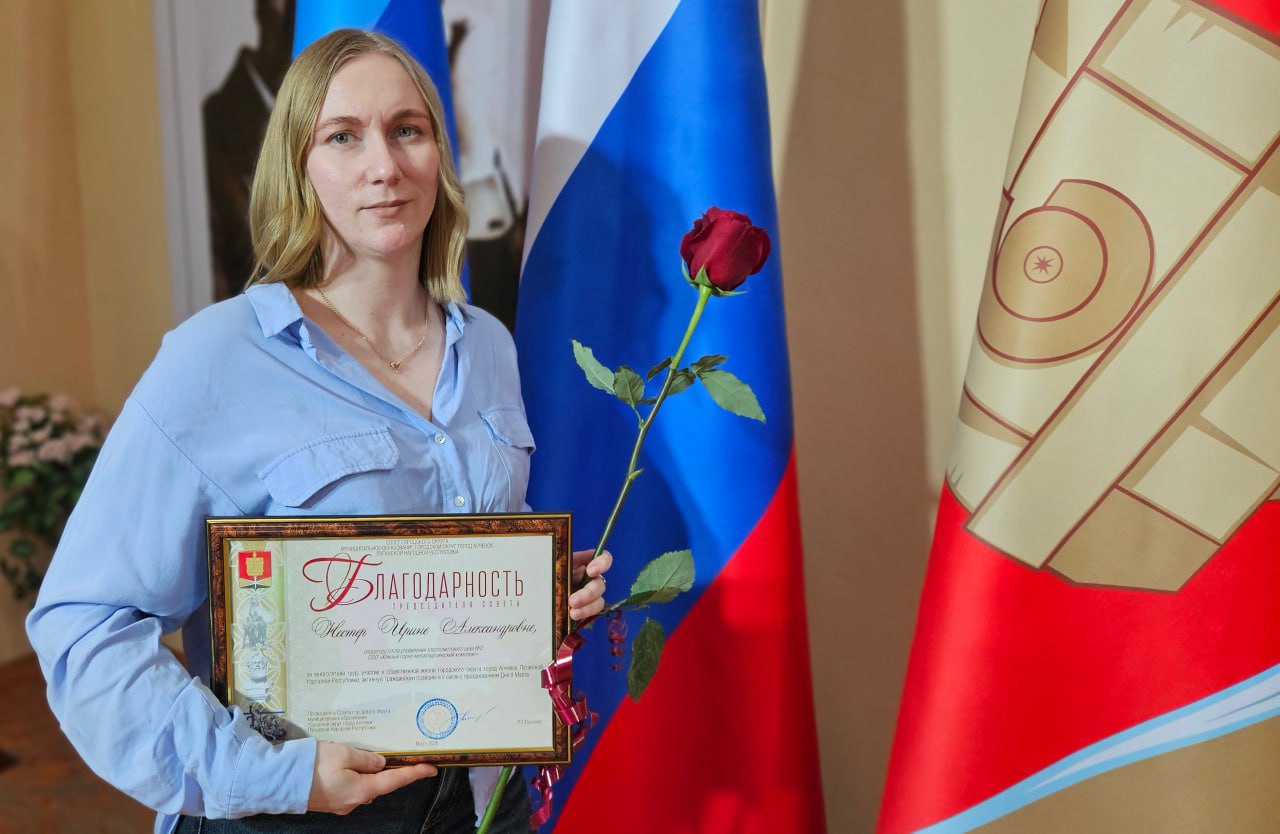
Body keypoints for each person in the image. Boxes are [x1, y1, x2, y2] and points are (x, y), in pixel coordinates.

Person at [26, 29, 610, 834]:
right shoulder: (214, 359)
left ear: (439, 153)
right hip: (290, 812)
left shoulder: (489, 348)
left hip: (481, 800)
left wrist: (532, 591)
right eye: (343, 136)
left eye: (407, 129)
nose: (385, 165)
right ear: (298, 168)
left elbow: (449, 573)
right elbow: (83, 627)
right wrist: (275, 773)